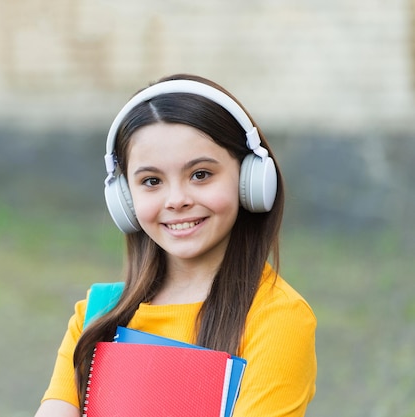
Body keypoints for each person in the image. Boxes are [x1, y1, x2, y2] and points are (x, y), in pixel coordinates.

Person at [34, 74, 316, 417]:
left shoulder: (278, 318)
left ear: (249, 179)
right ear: (124, 198)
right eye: (151, 181)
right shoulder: (94, 317)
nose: (177, 200)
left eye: (200, 174)